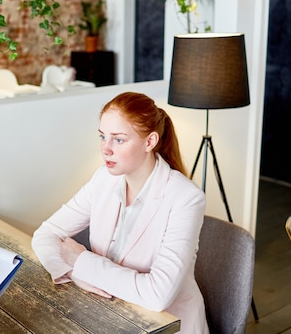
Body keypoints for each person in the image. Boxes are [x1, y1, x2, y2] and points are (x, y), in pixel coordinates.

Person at [32, 92, 208, 334]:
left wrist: (83, 261)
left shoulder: (185, 198)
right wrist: (73, 271)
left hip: (166, 325)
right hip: (109, 315)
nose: (105, 149)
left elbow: (158, 295)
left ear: (150, 142)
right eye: (103, 136)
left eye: (119, 140)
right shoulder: (103, 179)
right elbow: (46, 233)